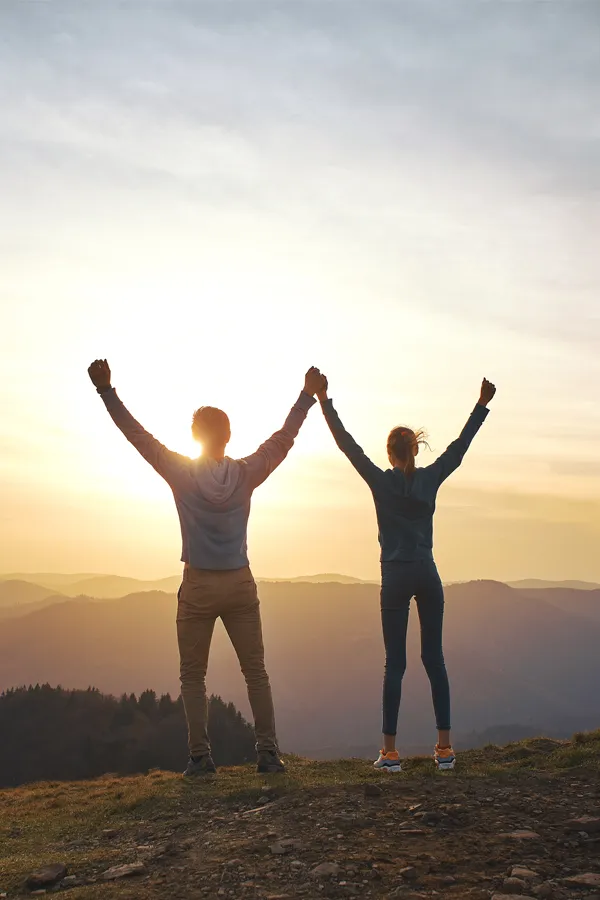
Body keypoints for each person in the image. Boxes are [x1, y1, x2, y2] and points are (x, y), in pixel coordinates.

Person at [88, 359, 326, 777]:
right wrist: (306, 396)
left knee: (192, 676)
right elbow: (282, 440)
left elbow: (138, 437)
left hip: (197, 584)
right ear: (229, 436)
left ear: (195, 437)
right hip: (239, 582)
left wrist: (107, 390)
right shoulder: (246, 473)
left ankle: (200, 758)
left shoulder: (180, 472)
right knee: (256, 673)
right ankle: (268, 754)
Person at [316, 376, 496, 771]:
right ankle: (445, 750)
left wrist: (324, 400)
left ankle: (390, 753)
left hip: (394, 576)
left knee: (394, 663)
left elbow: (347, 446)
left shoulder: (380, 481)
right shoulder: (430, 477)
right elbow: (458, 450)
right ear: (414, 450)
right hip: (427, 573)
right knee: (435, 659)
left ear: (390, 453)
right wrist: (480, 405)